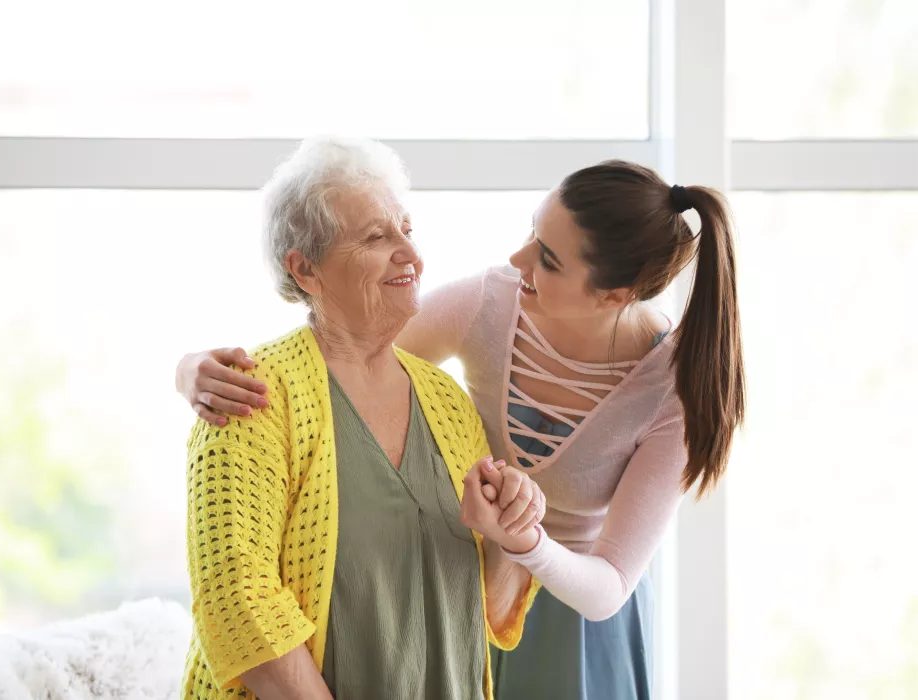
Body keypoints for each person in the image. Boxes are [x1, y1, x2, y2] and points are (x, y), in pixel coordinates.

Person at [178, 155, 746, 700]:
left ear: (615, 295)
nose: (517, 259)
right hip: (476, 595)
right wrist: (191, 372)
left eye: (548, 259)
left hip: (561, 611)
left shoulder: (671, 392)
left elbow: (606, 587)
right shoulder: (492, 303)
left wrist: (520, 538)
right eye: (378, 237)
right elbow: (341, 356)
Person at [182, 137, 546, 700]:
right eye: (377, 237)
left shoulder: (447, 402)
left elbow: (487, 610)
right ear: (306, 270)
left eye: (407, 230)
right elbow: (237, 600)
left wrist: (512, 539)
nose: (411, 254)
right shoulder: (250, 396)